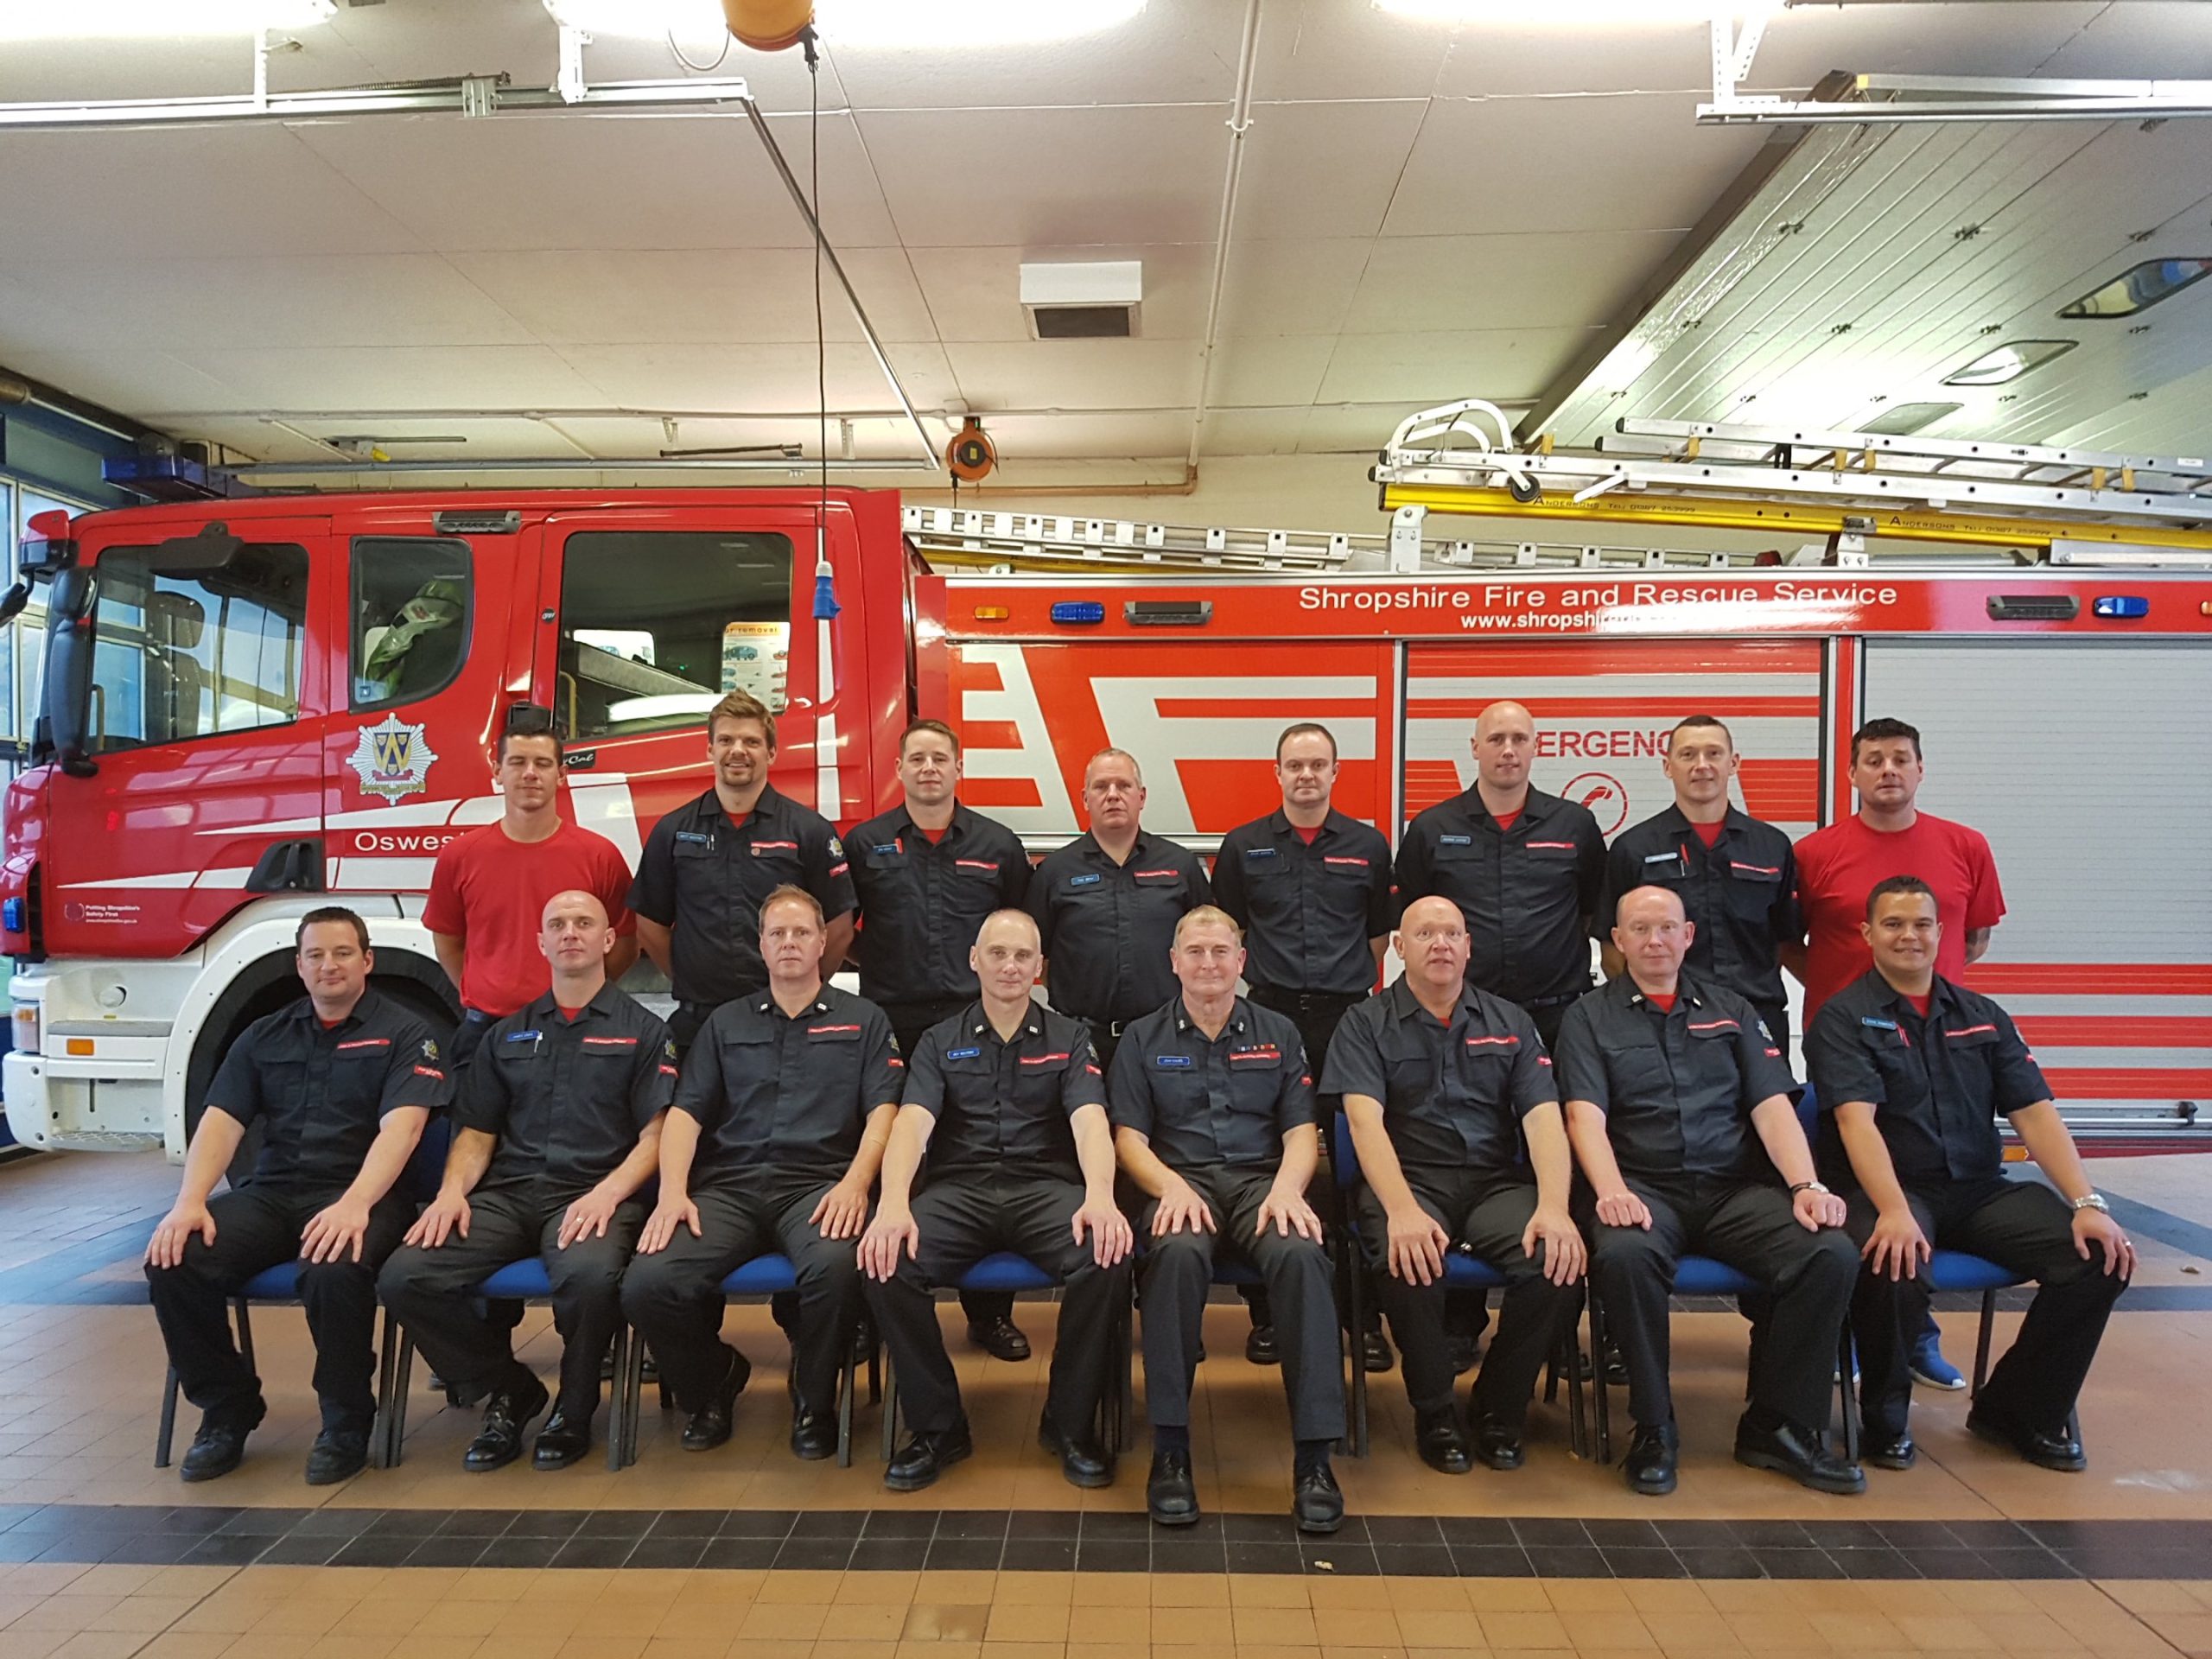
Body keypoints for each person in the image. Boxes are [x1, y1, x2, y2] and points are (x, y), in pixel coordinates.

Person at [1808, 876, 2133, 1473]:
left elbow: (2034, 1114)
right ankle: (1883, 1420)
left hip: (1978, 1191)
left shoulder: (1983, 1016)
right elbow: (1858, 1125)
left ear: (1942, 932)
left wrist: (2088, 1201)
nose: (1910, 936)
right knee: (1892, 1259)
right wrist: (1895, 1211)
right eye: (1894, 924)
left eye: (1922, 924)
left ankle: (2017, 1411)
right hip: (1888, 1189)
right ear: (1868, 933)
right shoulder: (1844, 1018)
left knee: (2097, 1258)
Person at [1558, 886, 1863, 1497]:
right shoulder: (1587, 1017)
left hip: (1732, 1190)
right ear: (1617, 942)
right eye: (1639, 930)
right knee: (1622, 1255)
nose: (1655, 941)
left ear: (1688, 935)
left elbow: (1772, 1107)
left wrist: (1805, 1185)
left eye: (1667, 928)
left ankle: (1778, 1427)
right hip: (1643, 1190)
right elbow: (1582, 1116)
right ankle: (1654, 1428)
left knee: (1829, 1252)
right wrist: (1611, 1190)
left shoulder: (1732, 1009)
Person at [145, 908, 446, 1484]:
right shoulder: (264, 1035)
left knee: (333, 1267)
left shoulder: (407, 1033)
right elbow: (221, 1123)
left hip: (364, 1195)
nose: (328, 965)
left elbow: (403, 1129)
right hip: (274, 1192)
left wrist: (356, 1204)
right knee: (175, 1258)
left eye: (341, 953)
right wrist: (190, 1201)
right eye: (315, 955)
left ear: (367, 961)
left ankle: (345, 1421)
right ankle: (227, 1408)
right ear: (299, 966)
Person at [376, 892, 675, 1471]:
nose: (570, 934)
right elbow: (476, 1133)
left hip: (595, 1196)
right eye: (557, 924)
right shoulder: (505, 1036)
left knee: (590, 1279)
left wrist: (610, 1194)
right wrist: (450, 1194)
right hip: (507, 1197)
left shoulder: (644, 1032)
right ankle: (508, 1388)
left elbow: (657, 1136)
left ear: (609, 941)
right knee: (405, 1276)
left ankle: (575, 1408)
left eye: (584, 923)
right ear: (541, 943)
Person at [621, 887, 901, 1460]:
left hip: (820, 1187)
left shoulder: (865, 1020)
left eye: (802, 932)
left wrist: (856, 1183)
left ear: (825, 942)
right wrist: (672, 1193)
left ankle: (814, 1400)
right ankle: (715, 1381)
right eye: (778, 933)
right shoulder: (725, 1024)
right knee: (648, 1282)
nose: (791, 943)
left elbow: (885, 1112)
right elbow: (686, 1114)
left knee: (836, 1267)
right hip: (731, 1188)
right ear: (761, 946)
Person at [861, 910, 1133, 1493]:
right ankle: (938, 1427)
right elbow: (912, 1124)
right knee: (887, 1260)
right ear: (975, 959)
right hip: (961, 1189)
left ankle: (1069, 1421)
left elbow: (1091, 1122)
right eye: (999, 953)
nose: (1010, 966)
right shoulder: (939, 1040)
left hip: (1045, 1189)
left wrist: (1103, 1198)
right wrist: (892, 1203)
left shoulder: (1070, 1037)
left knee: (1108, 1254)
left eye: (1022, 956)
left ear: (1040, 968)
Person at [1324, 896, 1585, 1476]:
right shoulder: (1364, 1023)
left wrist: (1554, 1207)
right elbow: (1364, 1124)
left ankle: (1498, 1408)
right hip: (1409, 1179)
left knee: (1556, 1261)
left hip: (1494, 1184)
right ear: (1398, 948)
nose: (1440, 944)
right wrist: (1402, 1210)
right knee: (1408, 1257)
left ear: (1469, 946)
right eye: (1424, 934)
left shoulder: (1509, 1022)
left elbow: (1543, 1118)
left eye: (1451, 934)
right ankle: (1435, 1411)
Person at [1109, 907, 1346, 1533]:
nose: (1209, 963)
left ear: (1242, 961)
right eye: (1196, 952)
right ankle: (1171, 1450)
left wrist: (1291, 1192)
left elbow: (1302, 1131)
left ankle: (1316, 1460)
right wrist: (1168, 1187)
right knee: (1177, 1254)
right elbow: (1128, 1138)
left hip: (1262, 1185)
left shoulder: (1280, 1032)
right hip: (1177, 1181)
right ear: (1174, 961)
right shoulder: (1141, 1037)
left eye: (1221, 952)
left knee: (1300, 1255)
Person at [1792, 716, 2007, 1392]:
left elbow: (1970, 941)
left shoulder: (1965, 845)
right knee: (1856, 1199)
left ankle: (1916, 1335)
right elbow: (1784, 943)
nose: (1888, 770)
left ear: (1920, 769)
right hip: (1845, 1050)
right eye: (1873, 760)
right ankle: (1850, 1338)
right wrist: (1844, 997)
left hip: (1938, 1057)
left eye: (1900, 759)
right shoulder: (1813, 853)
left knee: (1932, 1190)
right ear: (1851, 774)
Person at [1393, 700, 1602, 1371]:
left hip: (1555, 1017)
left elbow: (1599, 919)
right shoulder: (1432, 830)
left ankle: (1554, 1326)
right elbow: (1413, 924)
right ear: (1474, 748)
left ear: (1536, 748)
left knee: (1556, 1154)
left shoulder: (1575, 826)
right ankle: (1459, 1320)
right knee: (1465, 1150)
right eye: (1496, 739)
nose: (1508, 750)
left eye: (1520, 739)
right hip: (1459, 1020)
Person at [849, 718, 1037, 1366]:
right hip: (890, 1021)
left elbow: (1020, 928)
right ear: (898, 769)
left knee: (981, 1150)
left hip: (976, 1024)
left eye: (941, 759)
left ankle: (991, 1315)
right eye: (917, 759)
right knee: (887, 1151)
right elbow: (845, 926)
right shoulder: (865, 843)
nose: (929, 769)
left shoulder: (998, 844)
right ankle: (881, 1304)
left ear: (960, 769)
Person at [1211, 720, 1396, 1374]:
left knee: (1353, 1167)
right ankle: (1266, 1315)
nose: (1307, 775)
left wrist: (1341, 992)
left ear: (1336, 772)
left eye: (1319, 764)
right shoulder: (1244, 846)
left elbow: (1378, 940)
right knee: (1265, 1157)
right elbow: (1230, 933)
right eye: (1295, 765)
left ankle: (1362, 1318)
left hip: (1348, 1020)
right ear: (1278, 772)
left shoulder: (1370, 846)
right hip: (1266, 1016)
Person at [628, 689, 855, 1057]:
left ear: (771, 752)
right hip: (698, 1023)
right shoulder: (672, 831)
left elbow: (840, 928)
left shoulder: (809, 831)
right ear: (710, 750)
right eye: (726, 740)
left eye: (751, 741)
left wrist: (798, 987)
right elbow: (649, 926)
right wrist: (691, 978)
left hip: (786, 1020)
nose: (737, 750)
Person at [425, 707, 637, 1067]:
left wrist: (579, 990)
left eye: (542, 764)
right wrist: (489, 990)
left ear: (561, 775)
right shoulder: (460, 856)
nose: (529, 774)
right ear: (497, 772)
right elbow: (448, 941)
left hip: (575, 1027)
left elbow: (627, 943)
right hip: (485, 1032)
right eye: (517, 762)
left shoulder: (600, 855)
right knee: (472, 1125)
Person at [1599, 715, 1801, 1049]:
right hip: (1664, 1025)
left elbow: (1785, 942)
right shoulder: (1634, 848)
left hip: (1756, 1021)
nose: (1701, 765)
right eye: (1688, 755)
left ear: (1734, 763)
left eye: (1714, 754)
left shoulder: (1772, 846)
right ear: (1668, 766)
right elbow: (1611, 945)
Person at [1027, 747, 1211, 1069]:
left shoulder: (1180, 866)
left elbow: (1209, 943)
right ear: (1085, 799)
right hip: (1080, 1040)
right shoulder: (1054, 872)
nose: (1113, 795)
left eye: (1123, 786)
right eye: (1101, 787)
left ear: (1141, 796)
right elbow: (1035, 956)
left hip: (1168, 1036)